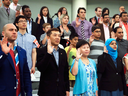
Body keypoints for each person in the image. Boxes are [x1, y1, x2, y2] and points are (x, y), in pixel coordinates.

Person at [0, 23, 32, 96]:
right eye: (11, 30)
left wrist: (29, 92)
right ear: (3, 33)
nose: (14, 32)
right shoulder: (0, 49)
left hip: (20, 93)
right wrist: (4, 55)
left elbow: (26, 74)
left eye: (15, 30)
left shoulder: (22, 51)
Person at [37, 28, 69, 96]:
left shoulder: (62, 52)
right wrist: (48, 54)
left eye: (59, 36)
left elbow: (65, 72)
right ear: (48, 37)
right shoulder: (42, 51)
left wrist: (67, 89)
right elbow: (40, 68)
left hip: (61, 90)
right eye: (55, 35)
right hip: (47, 90)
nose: (57, 37)